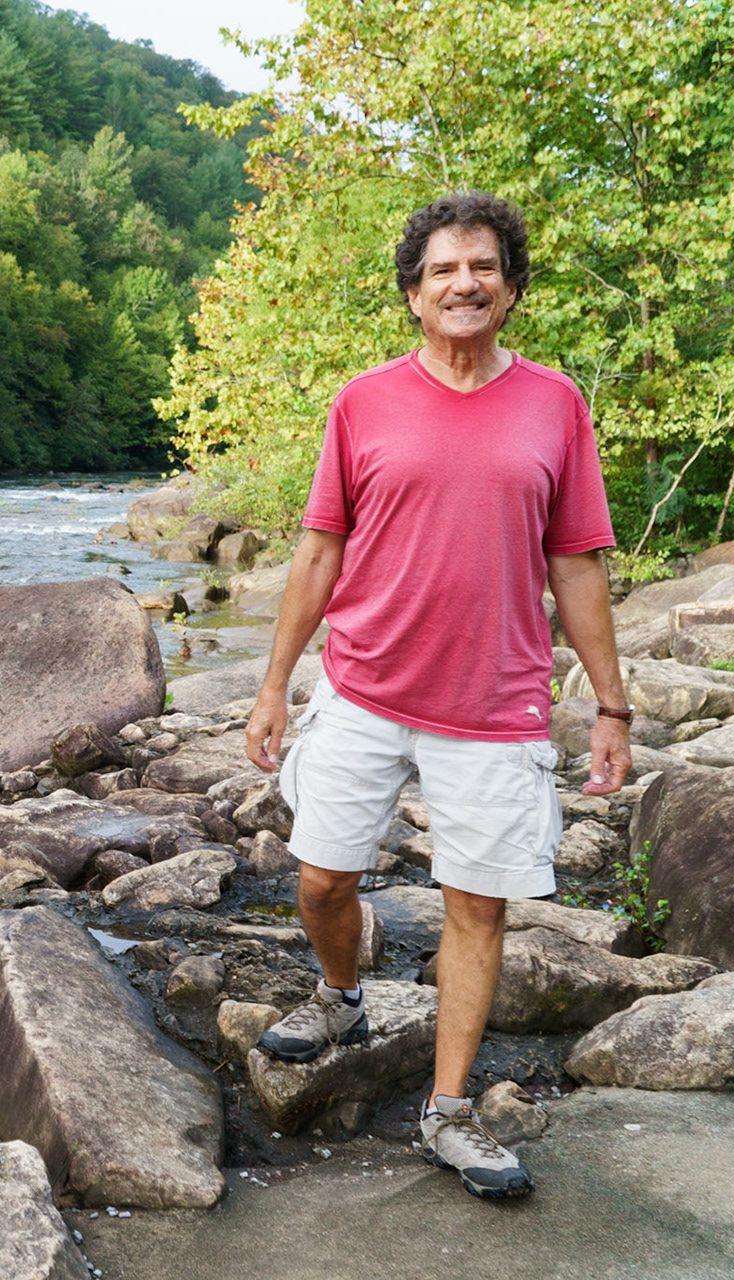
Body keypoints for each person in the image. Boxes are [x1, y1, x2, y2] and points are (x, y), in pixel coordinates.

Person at [242, 191, 631, 1200]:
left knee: (476, 906)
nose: (466, 283)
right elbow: (319, 548)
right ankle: (342, 994)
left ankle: (448, 1110)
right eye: (444, 270)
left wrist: (612, 706)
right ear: (414, 295)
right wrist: (274, 683)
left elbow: (577, 561)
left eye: (484, 267)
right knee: (321, 880)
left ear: (511, 289)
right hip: (364, 686)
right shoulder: (363, 401)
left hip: (495, 703)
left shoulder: (555, 404)